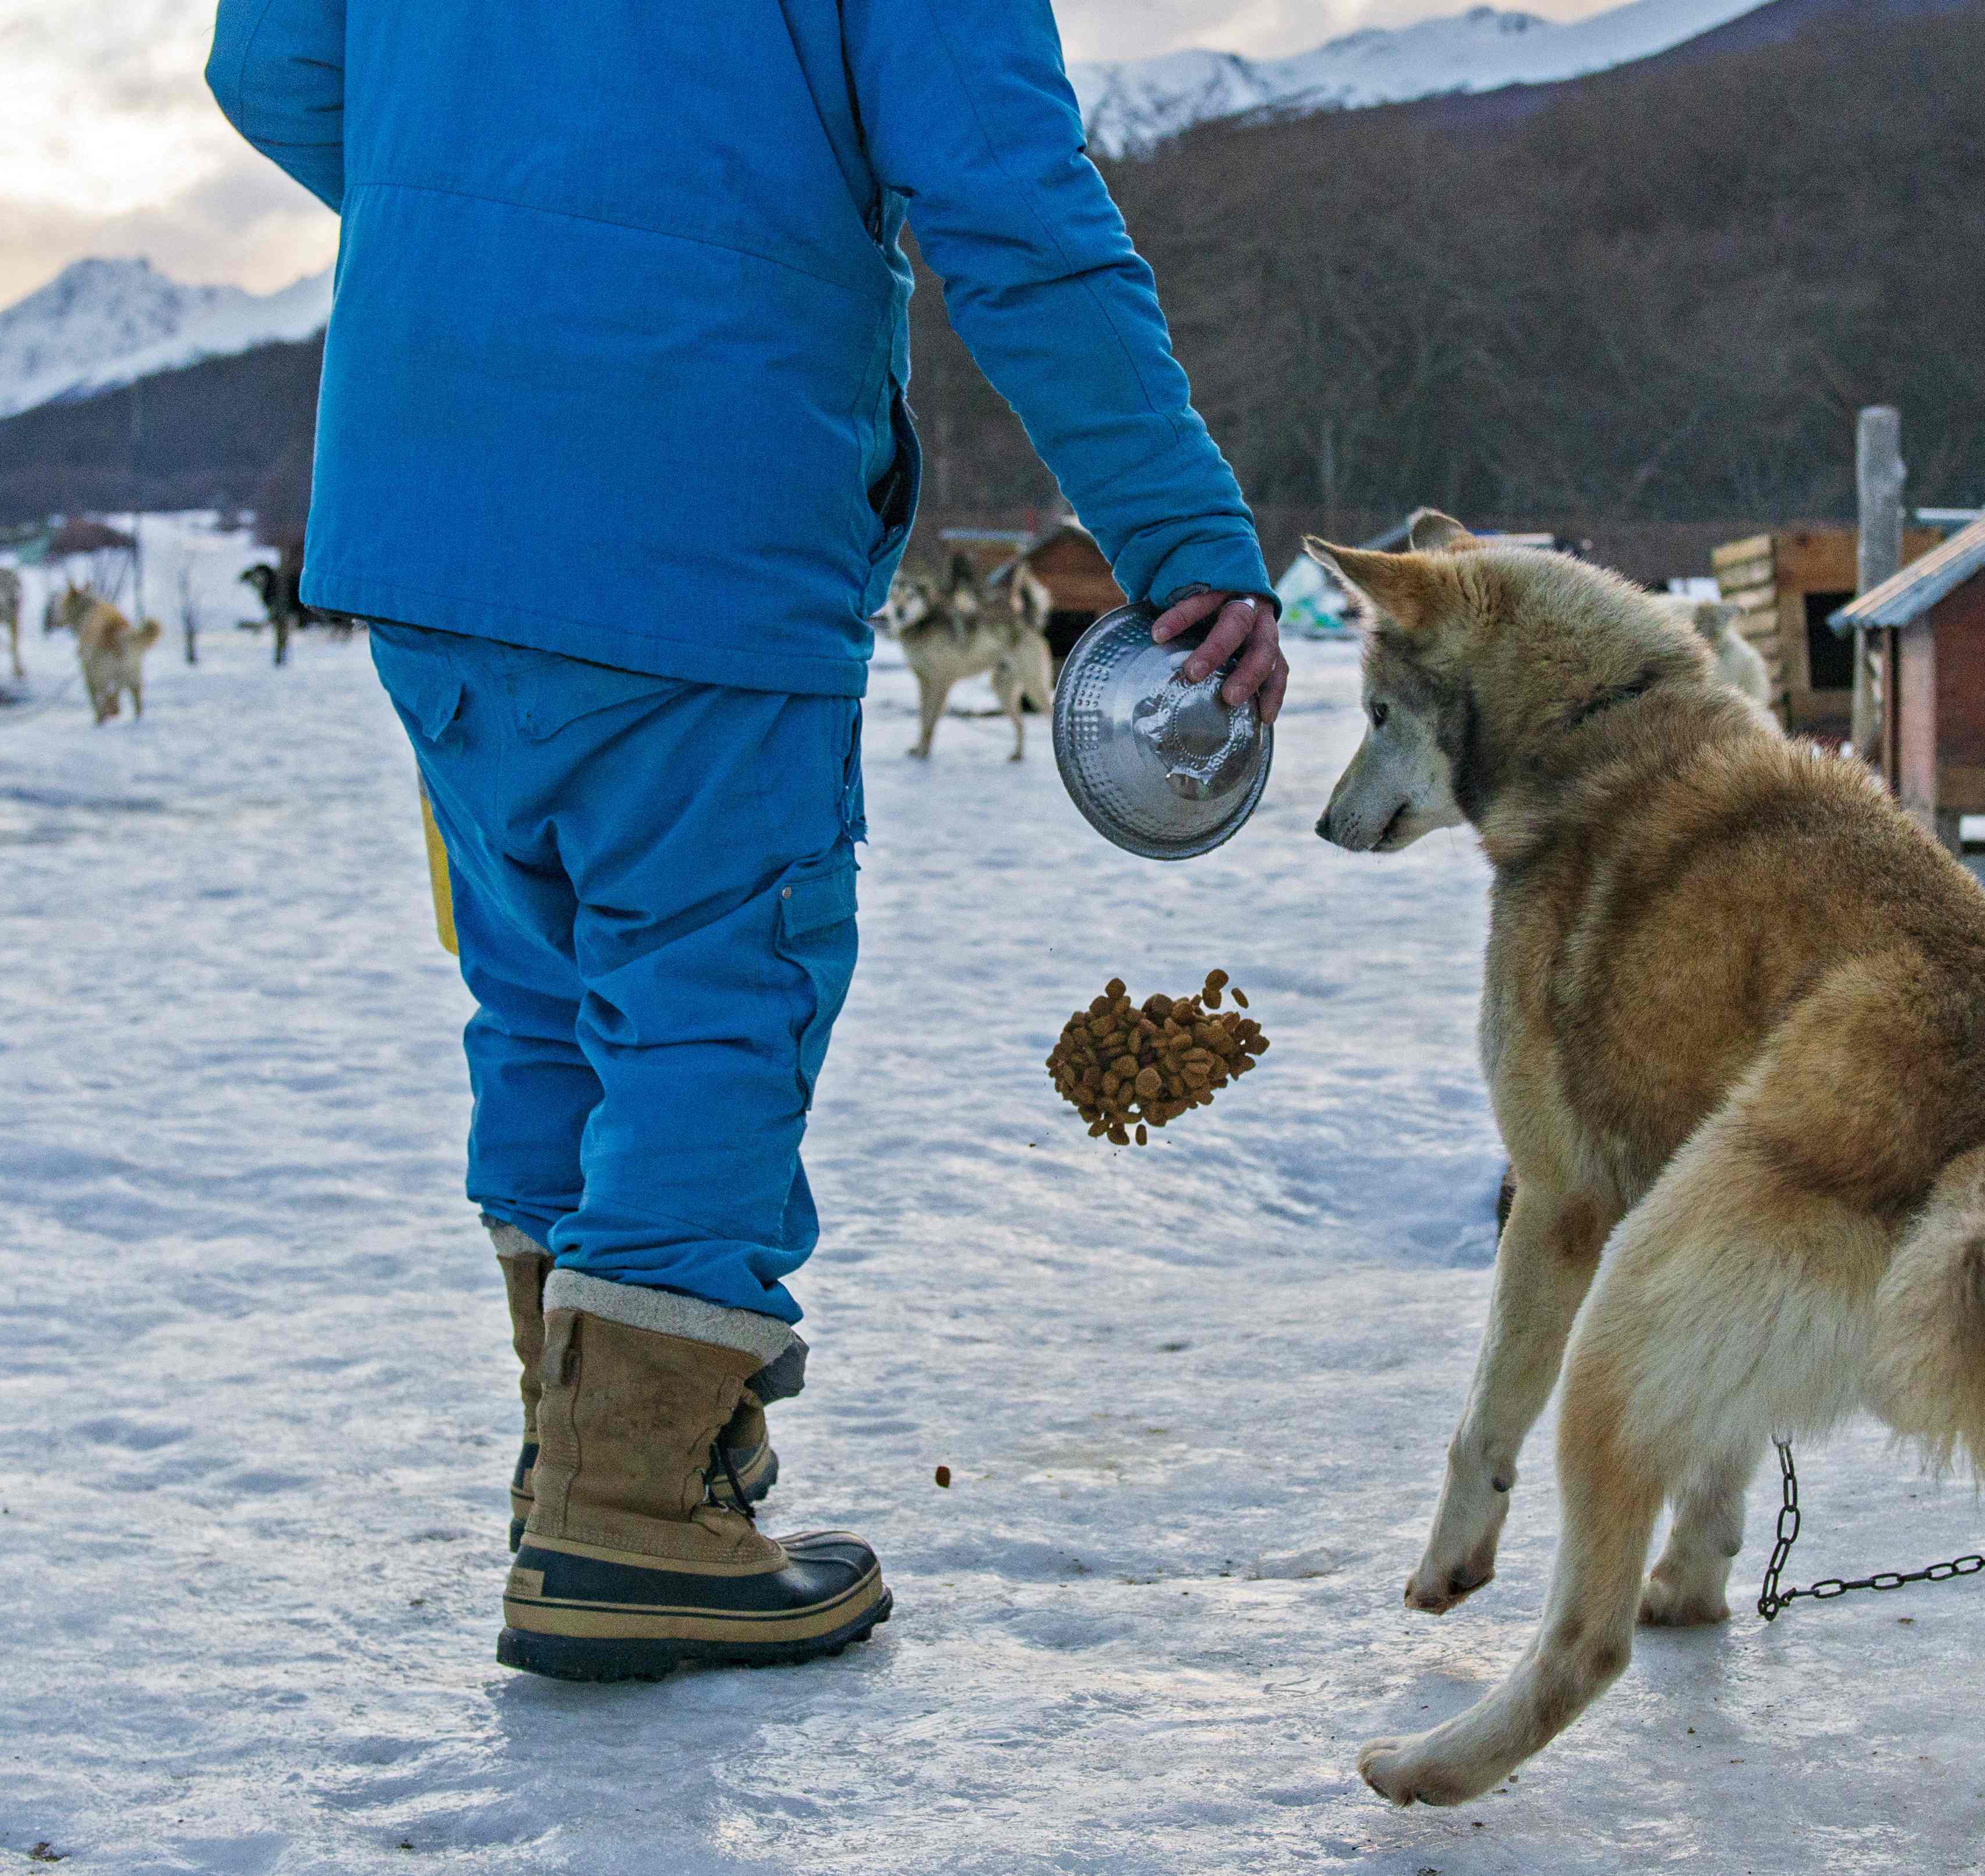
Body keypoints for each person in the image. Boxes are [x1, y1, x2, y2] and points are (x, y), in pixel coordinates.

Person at [208, 0, 1285, 1683]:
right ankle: (628, 1517)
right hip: (696, 494)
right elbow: (1013, 200)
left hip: (424, 506)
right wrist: (1184, 539)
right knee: (716, 985)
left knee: (549, 988)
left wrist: (496, 229)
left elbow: (270, 64)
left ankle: (602, 1462)